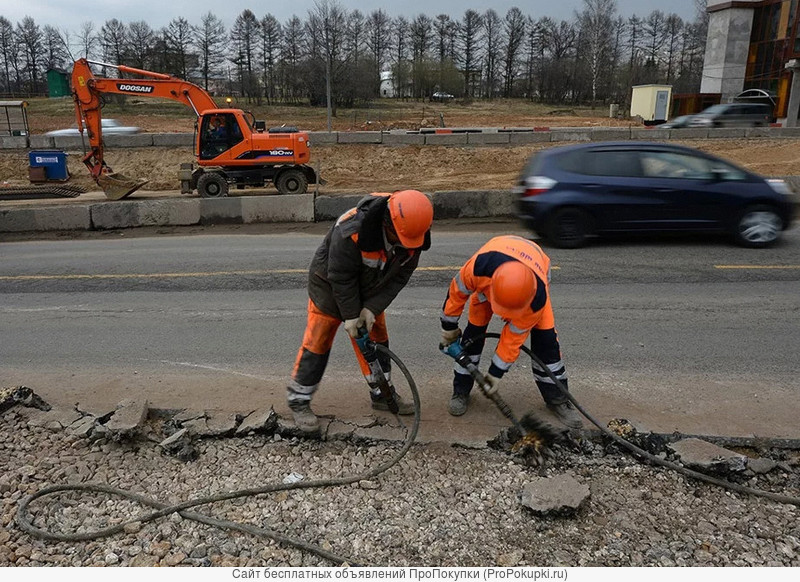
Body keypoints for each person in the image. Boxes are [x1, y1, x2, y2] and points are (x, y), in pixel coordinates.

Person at [287, 190, 434, 433]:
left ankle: (382, 393)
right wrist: (351, 316)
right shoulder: (351, 231)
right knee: (318, 341)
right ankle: (299, 400)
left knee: (377, 339)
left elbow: (399, 279)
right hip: (329, 285)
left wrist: (371, 309)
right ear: (387, 222)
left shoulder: (414, 235)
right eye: (397, 237)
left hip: (370, 291)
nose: (402, 244)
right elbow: (341, 278)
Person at [439, 235, 582, 429]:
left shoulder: (536, 298)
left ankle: (557, 399)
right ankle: (461, 391)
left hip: (531, 278)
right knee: (473, 336)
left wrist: (494, 375)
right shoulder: (479, 267)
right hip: (490, 284)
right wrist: (449, 328)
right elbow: (456, 294)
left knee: (547, 342)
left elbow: (512, 339)